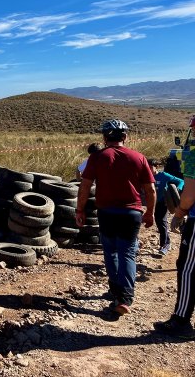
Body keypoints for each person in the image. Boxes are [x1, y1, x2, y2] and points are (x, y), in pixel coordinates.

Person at [76, 119, 156, 317]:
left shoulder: (97, 158)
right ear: (125, 137)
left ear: (104, 138)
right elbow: (151, 189)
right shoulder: (139, 157)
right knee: (127, 253)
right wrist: (150, 212)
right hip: (131, 213)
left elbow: (84, 186)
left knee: (110, 251)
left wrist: (80, 210)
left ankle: (114, 290)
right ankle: (125, 298)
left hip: (106, 213)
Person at [154, 115, 195, 337]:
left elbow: (189, 194)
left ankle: (181, 322)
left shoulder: (193, 154)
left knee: (188, 269)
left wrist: (179, 214)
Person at [148, 158, 184, 256]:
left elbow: (181, 181)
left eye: (151, 167)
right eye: (147, 167)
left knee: (161, 221)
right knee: (158, 222)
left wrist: (177, 189)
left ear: (157, 167)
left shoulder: (163, 175)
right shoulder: (146, 176)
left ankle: (165, 244)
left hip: (163, 202)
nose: (149, 169)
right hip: (152, 202)